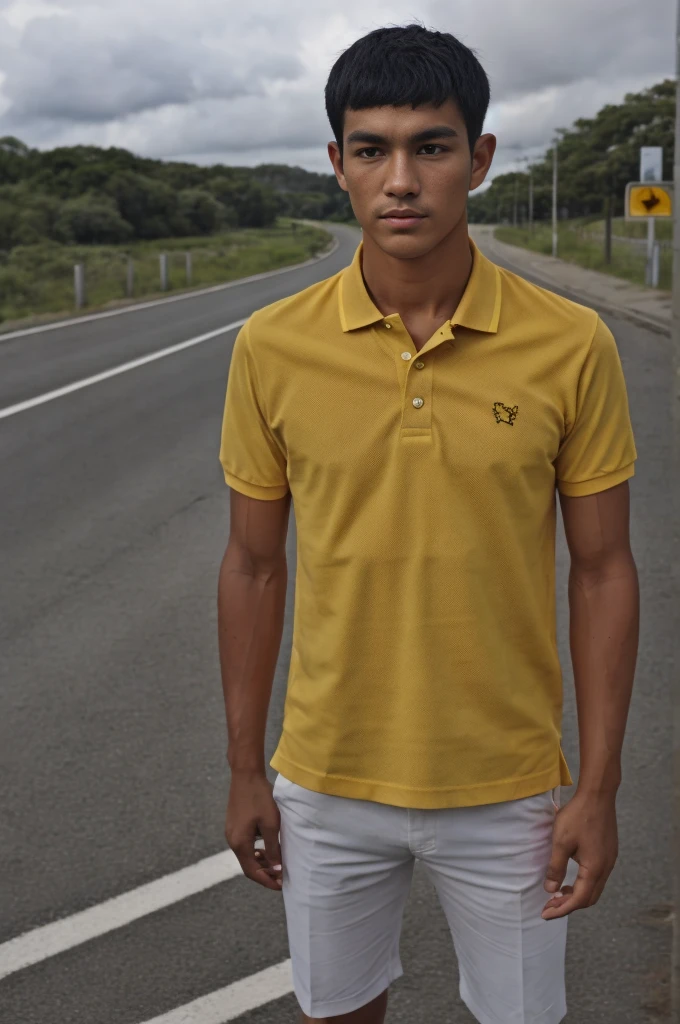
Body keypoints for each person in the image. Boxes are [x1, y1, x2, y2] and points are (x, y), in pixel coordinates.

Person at [217, 22, 640, 1024]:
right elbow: (251, 566)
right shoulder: (269, 346)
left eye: (430, 146)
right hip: (324, 779)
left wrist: (598, 787)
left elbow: (601, 571)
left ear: (479, 160)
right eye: (370, 149)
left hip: (508, 787)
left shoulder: (569, 343)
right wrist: (244, 769)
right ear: (336, 166)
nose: (399, 178)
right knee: (337, 1013)